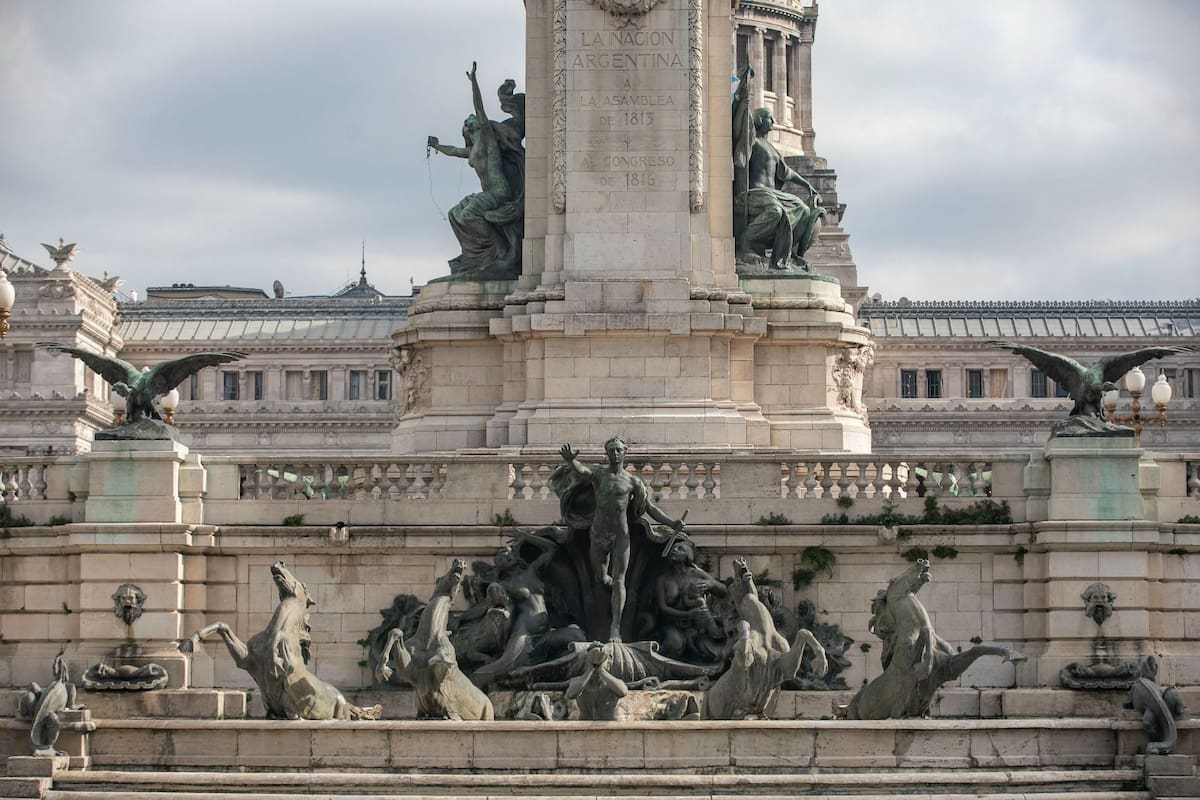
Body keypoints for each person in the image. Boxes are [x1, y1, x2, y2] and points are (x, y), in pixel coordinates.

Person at [557, 436, 688, 642]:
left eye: (619, 450)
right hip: (598, 535)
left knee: (620, 581)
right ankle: (610, 584)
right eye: (612, 450)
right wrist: (571, 461)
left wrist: (672, 523)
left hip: (621, 536)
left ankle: (615, 630)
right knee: (600, 578)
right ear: (607, 453)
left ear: (624, 452)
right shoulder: (600, 476)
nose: (615, 454)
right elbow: (583, 471)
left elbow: (650, 508)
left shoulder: (632, 481)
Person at [426, 63, 525, 278]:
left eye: (471, 121)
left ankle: (501, 250)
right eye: (466, 123)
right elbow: (453, 150)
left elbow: (479, 108)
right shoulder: (472, 150)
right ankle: (477, 256)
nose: (469, 123)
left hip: (499, 192)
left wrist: (474, 83)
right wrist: (436, 146)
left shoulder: (488, 138)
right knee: (454, 214)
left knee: (470, 214)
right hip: (486, 194)